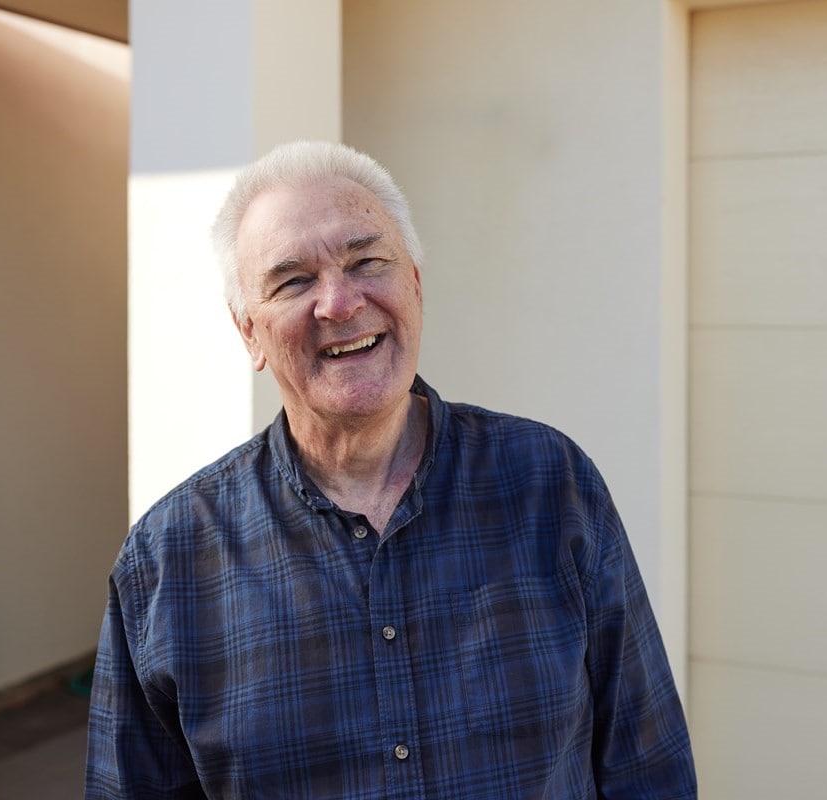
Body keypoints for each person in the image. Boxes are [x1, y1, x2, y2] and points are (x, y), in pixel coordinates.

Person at [85, 141, 697, 799]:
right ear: (249, 334)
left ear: (416, 285)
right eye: (293, 282)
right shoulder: (168, 561)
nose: (339, 303)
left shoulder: (552, 485)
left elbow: (649, 769)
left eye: (366, 261)